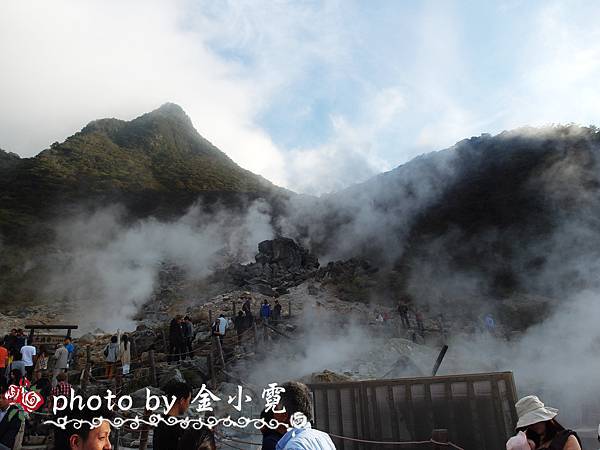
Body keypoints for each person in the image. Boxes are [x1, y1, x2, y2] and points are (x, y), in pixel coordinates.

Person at [273, 381, 336, 450]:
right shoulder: (323, 437)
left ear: (284, 415)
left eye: (275, 409)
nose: (273, 414)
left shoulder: (293, 446)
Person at [513, 395, 581, 450]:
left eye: (535, 421)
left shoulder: (566, 439)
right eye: (528, 424)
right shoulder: (528, 442)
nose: (532, 425)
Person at [153, 380, 192, 450]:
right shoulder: (178, 428)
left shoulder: (160, 424)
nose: (188, 405)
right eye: (189, 401)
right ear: (182, 401)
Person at [0, 384, 24, 450]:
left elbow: (10, 435)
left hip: (4, 444)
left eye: (3, 398)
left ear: (10, 400)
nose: (0, 400)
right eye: (0, 398)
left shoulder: (16, 413)